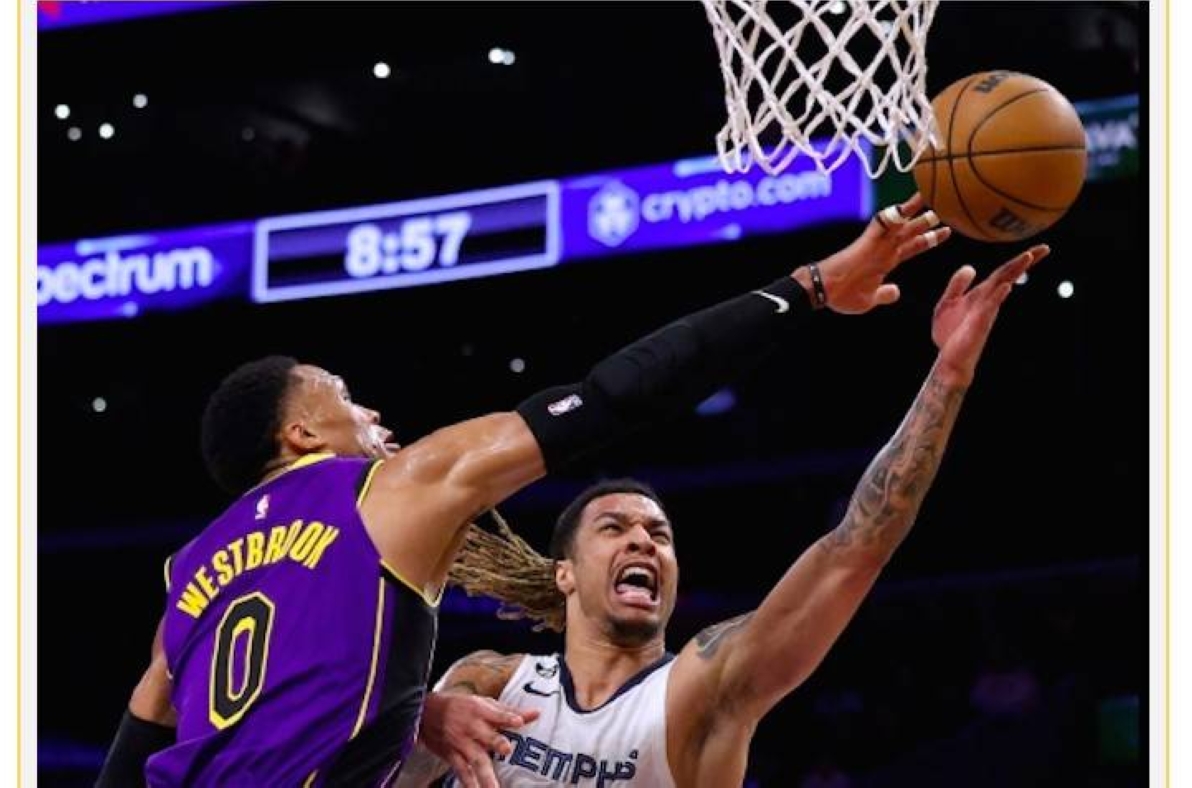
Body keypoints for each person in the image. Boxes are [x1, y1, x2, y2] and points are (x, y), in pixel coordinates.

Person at [94, 196, 950, 787]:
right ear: (301, 434)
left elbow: (141, 743)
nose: (371, 410)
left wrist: (413, 715)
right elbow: (619, 393)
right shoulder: (389, 489)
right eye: (345, 395)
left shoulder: (190, 570)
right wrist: (806, 290)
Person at [399, 244, 1050, 788]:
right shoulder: (490, 680)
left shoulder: (704, 688)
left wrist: (951, 371)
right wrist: (417, 716)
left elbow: (858, 543)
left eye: (660, 535)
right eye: (615, 528)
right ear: (565, 573)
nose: (644, 542)